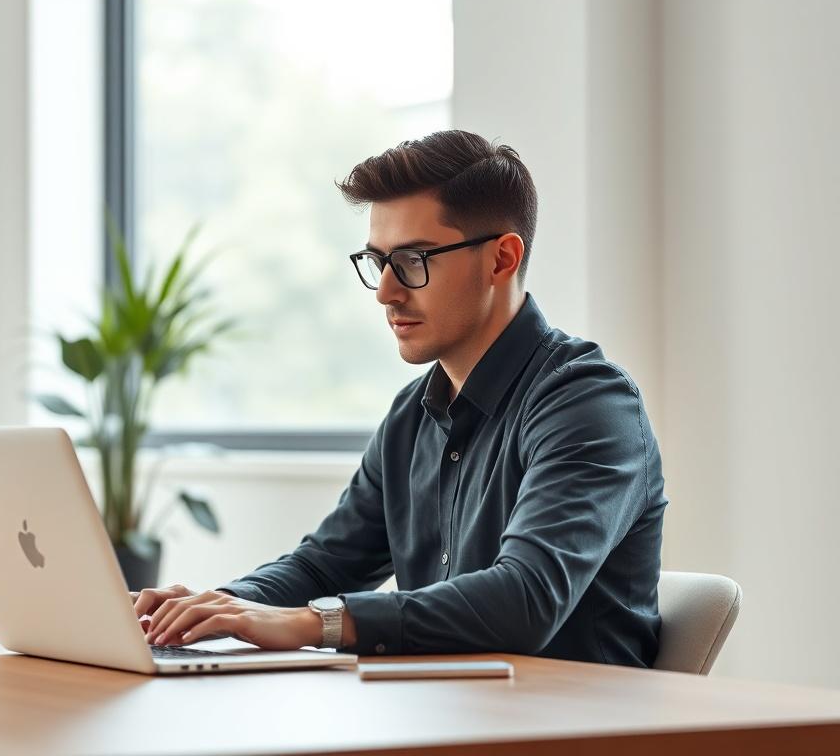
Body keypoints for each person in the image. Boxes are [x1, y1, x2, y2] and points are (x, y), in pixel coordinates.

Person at [133, 129, 668, 667]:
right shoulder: (412, 416)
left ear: (501, 260)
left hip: (576, 731)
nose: (387, 290)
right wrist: (214, 608)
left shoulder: (589, 404)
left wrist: (314, 623)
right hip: (450, 724)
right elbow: (323, 568)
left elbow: (525, 599)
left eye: (413, 259)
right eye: (377, 261)